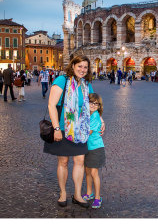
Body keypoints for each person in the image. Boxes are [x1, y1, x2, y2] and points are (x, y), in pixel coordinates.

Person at [44, 55, 105, 208]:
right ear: (73, 66)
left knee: (79, 161)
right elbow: (51, 105)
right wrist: (56, 128)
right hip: (64, 127)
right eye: (80, 66)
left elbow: (93, 105)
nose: (82, 70)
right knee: (63, 162)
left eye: (85, 67)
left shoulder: (86, 84)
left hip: (81, 130)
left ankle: (77, 194)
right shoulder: (61, 80)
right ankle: (63, 193)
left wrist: (101, 120)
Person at [83, 93, 105, 209]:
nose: (93, 105)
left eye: (96, 104)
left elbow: (88, 132)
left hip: (96, 148)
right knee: (87, 172)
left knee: (94, 173)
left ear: (99, 106)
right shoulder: (87, 114)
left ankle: (97, 197)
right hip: (87, 148)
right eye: (91, 102)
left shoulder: (95, 116)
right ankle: (89, 193)